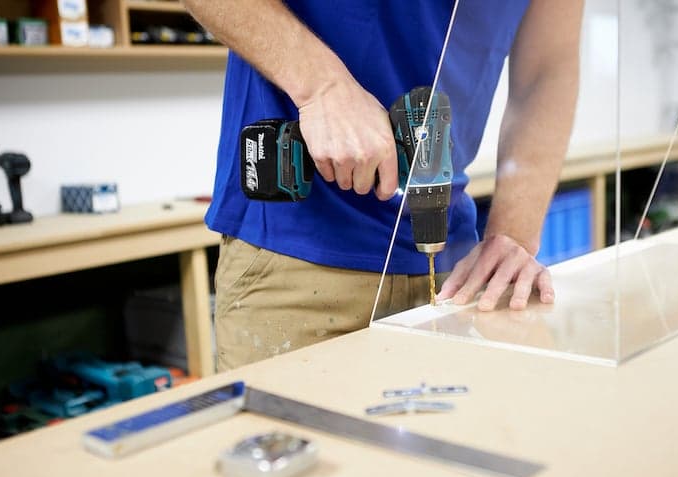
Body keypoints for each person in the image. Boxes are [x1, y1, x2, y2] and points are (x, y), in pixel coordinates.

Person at [183, 0, 583, 371]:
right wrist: (322, 86)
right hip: (296, 259)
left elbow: (549, 67)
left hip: (453, 270)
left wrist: (515, 233)